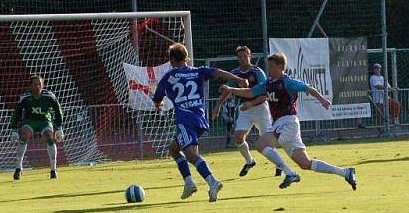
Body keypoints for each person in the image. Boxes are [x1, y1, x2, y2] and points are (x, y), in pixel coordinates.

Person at [220, 52, 357, 191]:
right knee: (305, 163)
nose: (269, 69)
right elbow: (249, 92)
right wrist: (231, 89)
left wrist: (322, 99)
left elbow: (307, 88)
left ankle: (290, 173)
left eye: (272, 66)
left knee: (261, 144)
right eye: (269, 66)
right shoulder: (267, 83)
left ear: (281, 67)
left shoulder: (287, 82)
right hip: (282, 124)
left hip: (288, 122)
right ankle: (346, 172)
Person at [152, 43, 248, 202]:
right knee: (174, 149)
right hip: (200, 118)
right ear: (186, 57)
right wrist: (238, 78)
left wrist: (158, 107)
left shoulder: (169, 77)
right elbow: (219, 73)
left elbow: (157, 99)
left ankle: (212, 181)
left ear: (172, 60)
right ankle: (189, 182)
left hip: (184, 119)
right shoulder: (197, 71)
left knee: (191, 154)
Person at [211, 45, 278, 177]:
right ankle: (249, 161)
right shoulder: (235, 73)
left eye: (245, 56)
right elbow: (227, 90)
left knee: (267, 140)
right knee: (238, 137)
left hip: (261, 109)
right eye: (240, 57)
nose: (242, 59)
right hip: (245, 110)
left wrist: (251, 103)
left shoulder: (257, 72)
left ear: (249, 56)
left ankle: (279, 165)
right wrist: (217, 106)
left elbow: (265, 93)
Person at [10, 74, 64, 180]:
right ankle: (18, 168)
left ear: (43, 85)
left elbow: (58, 111)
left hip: (45, 121)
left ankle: (53, 170)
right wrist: (14, 129)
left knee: (49, 136)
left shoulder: (49, 96)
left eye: (39, 84)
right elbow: (16, 113)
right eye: (35, 84)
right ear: (30, 86)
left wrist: (59, 127)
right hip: (30, 121)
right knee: (24, 134)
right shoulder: (25, 97)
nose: (37, 86)